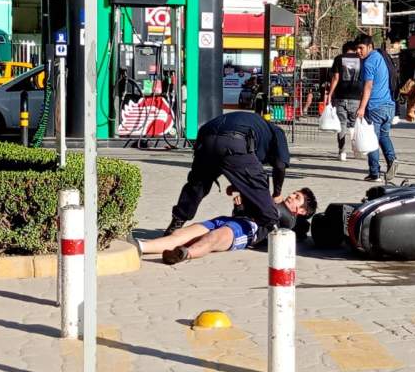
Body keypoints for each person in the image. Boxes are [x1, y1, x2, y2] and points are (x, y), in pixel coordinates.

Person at [164, 111, 291, 236]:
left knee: (197, 185)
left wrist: (237, 184)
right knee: (259, 186)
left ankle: (176, 222)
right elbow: (280, 165)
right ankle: (274, 230)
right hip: (233, 140)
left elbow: (239, 168)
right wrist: (277, 193)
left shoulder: (256, 125)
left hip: (206, 136)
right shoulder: (277, 132)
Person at [136, 189, 317, 264]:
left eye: (297, 198)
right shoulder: (273, 204)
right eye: (293, 193)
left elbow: (280, 216)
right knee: (181, 233)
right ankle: (141, 246)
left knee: (213, 239)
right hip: (230, 220)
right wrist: (240, 206)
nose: (291, 196)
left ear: (300, 211)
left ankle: (184, 254)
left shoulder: (289, 221)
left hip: (246, 229)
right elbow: (242, 213)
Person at [356, 34, 398, 182]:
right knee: (384, 136)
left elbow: (368, 86)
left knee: (372, 139)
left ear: (369, 46)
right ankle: (392, 160)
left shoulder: (368, 63)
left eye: (361, 48)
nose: (358, 51)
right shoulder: (382, 57)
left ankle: (374, 172)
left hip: (375, 106)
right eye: (357, 49)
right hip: (389, 105)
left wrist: (361, 108)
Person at [327, 41, 362, 161]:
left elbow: (336, 77)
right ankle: (356, 149)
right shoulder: (361, 59)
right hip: (357, 97)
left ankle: (342, 151)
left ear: (344, 49)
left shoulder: (339, 58)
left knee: (341, 124)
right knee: (354, 124)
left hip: (341, 96)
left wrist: (330, 94)